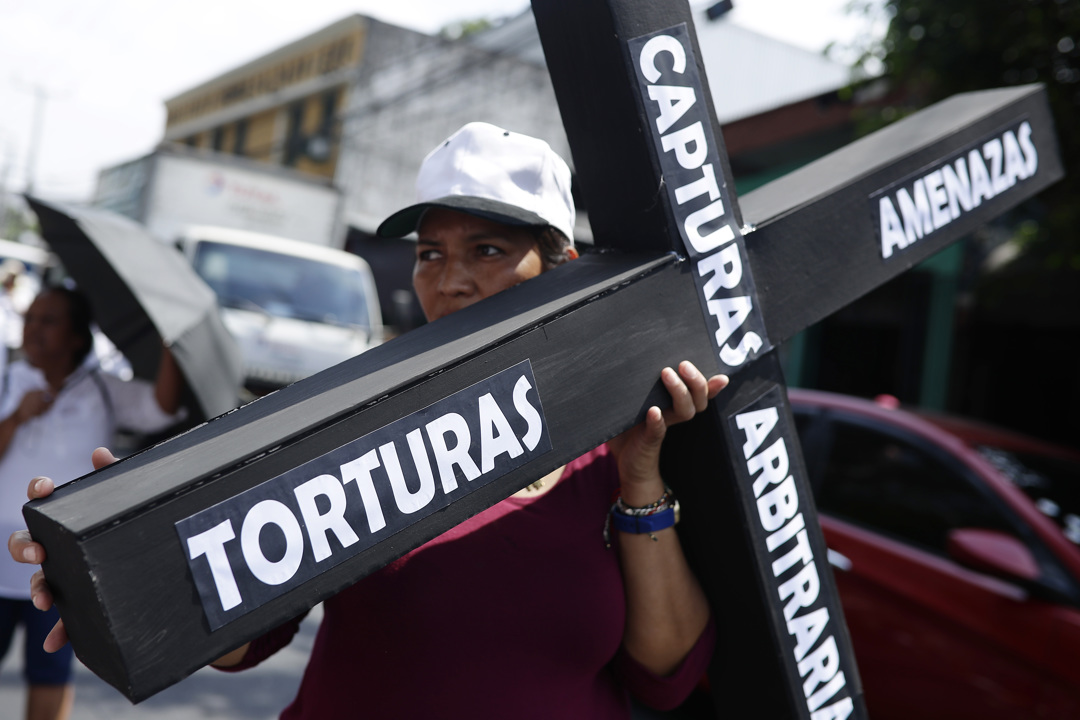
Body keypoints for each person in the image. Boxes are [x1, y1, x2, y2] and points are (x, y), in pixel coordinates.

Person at [10, 123, 727, 718]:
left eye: (488, 250)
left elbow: (663, 674)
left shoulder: (625, 434)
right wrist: (134, 585)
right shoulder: (359, 431)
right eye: (429, 254)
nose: (450, 280)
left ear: (562, 263)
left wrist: (639, 483)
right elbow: (242, 642)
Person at [0, 286, 185, 720]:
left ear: (78, 337)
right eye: (30, 318)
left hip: (59, 567)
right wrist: (17, 417)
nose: (33, 329)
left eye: (49, 321)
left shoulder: (104, 391)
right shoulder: (7, 380)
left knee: (51, 674)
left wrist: (171, 346)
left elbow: (161, 407)